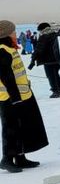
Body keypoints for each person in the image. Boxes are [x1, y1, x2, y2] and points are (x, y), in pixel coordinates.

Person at [0, 19, 48, 173]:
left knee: (22, 126)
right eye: (13, 31)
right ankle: (7, 158)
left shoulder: (9, 48)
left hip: (21, 94)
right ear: (6, 34)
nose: (15, 34)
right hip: (9, 98)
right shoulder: (2, 50)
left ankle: (20, 157)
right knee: (11, 128)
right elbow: (6, 76)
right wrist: (15, 98)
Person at [29, 22, 60, 97]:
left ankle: (56, 91)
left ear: (42, 29)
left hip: (48, 60)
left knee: (51, 76)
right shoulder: (56, 35)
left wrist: (33, 59)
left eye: (40, 30)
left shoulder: (44, 37)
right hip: (56, 59)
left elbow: (39, 49)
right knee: (56, 74)